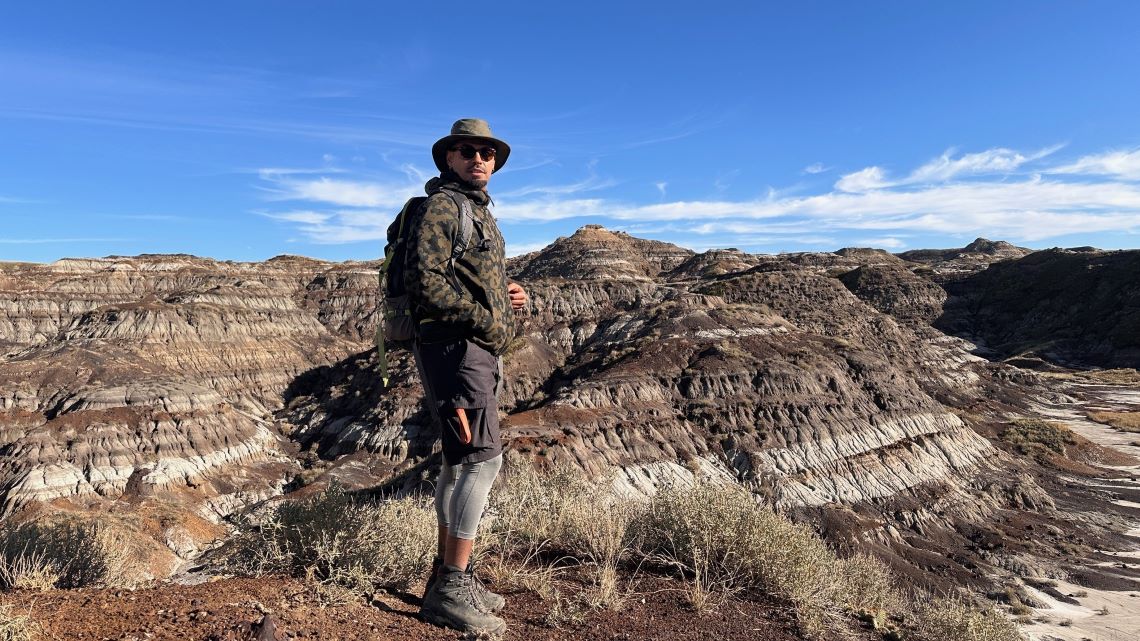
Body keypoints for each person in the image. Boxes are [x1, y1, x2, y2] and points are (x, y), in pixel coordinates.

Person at [406, 118, 527, 635]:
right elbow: (424, 281)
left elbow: (472, 277)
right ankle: (450, 588)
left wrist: (511, 293)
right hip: (457, 350)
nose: (479, 158)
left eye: (487, 152)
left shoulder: (475, 210)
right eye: (467, 151)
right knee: (481, 461)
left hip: (471, 348)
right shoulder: (442, 206)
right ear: (448, 159)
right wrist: (484, 319)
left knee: (459, 462)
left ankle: (449, 575)